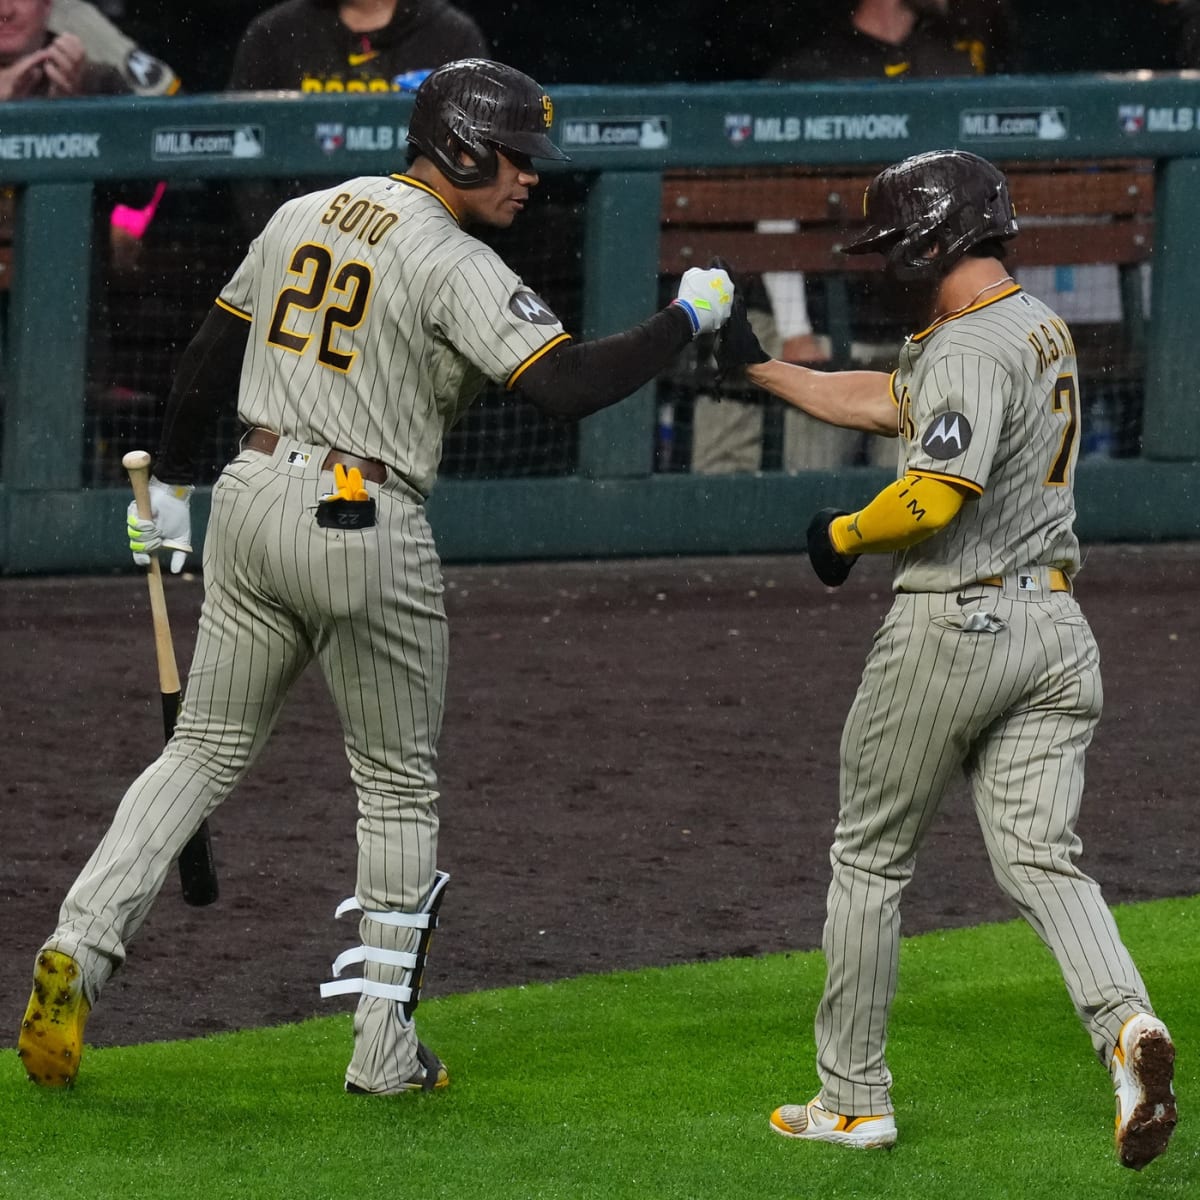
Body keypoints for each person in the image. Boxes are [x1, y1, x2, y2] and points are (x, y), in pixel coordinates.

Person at [16, 58, 734, 1096]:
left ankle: (78, 949)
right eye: (518, 155)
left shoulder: (304, 211)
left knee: (202, 753)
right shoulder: (453, 260)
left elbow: (205, 362)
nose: (531, 176)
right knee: (396, 784)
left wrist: (169, 488)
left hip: (249, 496)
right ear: (461, 145)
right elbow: (569, 388)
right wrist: (688, 320)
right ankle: (384, 1048)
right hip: (363, 517)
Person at [714, 149, 1177, 1169]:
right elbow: (890, 397)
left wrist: (843, 535)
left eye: (895, 244)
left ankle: (852, 1099)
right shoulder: (1034, 326)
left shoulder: (968, 347)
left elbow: (934, 491)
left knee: (870, 858)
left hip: (957, 627)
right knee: (1042, 860)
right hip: (1057, 636)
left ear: (931, 242)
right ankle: (1127, 1030)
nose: (890, 262)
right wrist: (762, 367)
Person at [691, 0, 1014, 476]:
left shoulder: (952, 66)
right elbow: (774, 202)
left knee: (921, 487)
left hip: (913, 329)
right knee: (798, 483)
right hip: (813, 320)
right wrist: (797, 330)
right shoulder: (809, 71)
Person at [227, 0, 490, 236]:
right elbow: (240, 153)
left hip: (419, 244)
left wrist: (431, 244)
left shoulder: (452, 34)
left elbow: (477, 151)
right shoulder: (273, 33)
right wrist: (284, 239)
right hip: (302, 243)